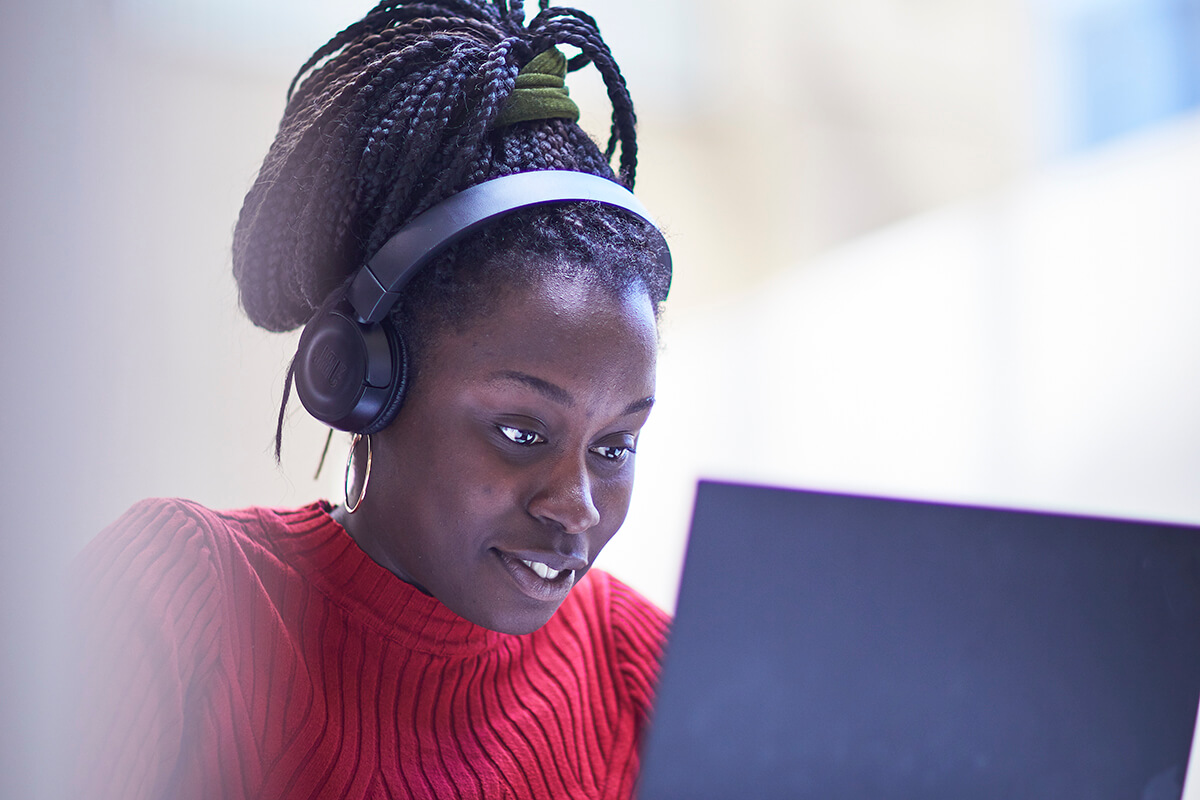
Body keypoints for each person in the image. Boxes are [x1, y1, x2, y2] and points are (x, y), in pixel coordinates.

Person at [72, 2, 674, 798]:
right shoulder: (188, 603)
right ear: (364, 383)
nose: (579, 507)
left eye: (614, 447)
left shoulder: (638, 665)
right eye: (523, 432)